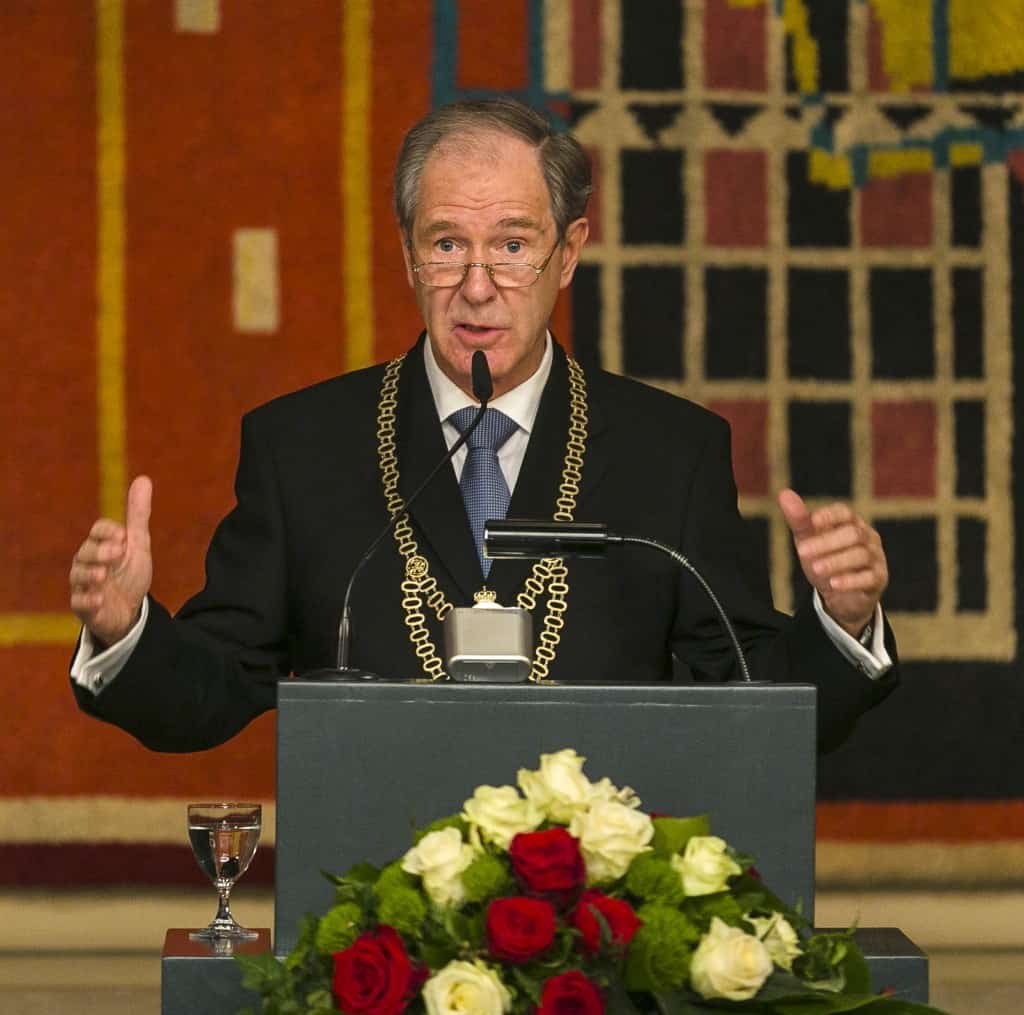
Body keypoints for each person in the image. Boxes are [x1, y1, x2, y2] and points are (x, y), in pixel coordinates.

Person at [69, 98, 895, 754]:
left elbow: (753, 702)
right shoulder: (303, 448)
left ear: (566, 255)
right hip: (371, 924)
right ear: (407, 256)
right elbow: (211, 693)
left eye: (510, 244)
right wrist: (126, 631)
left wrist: (843, 621)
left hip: (592, 919)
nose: (476, 285)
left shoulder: (669, 452)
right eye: (445, 244)